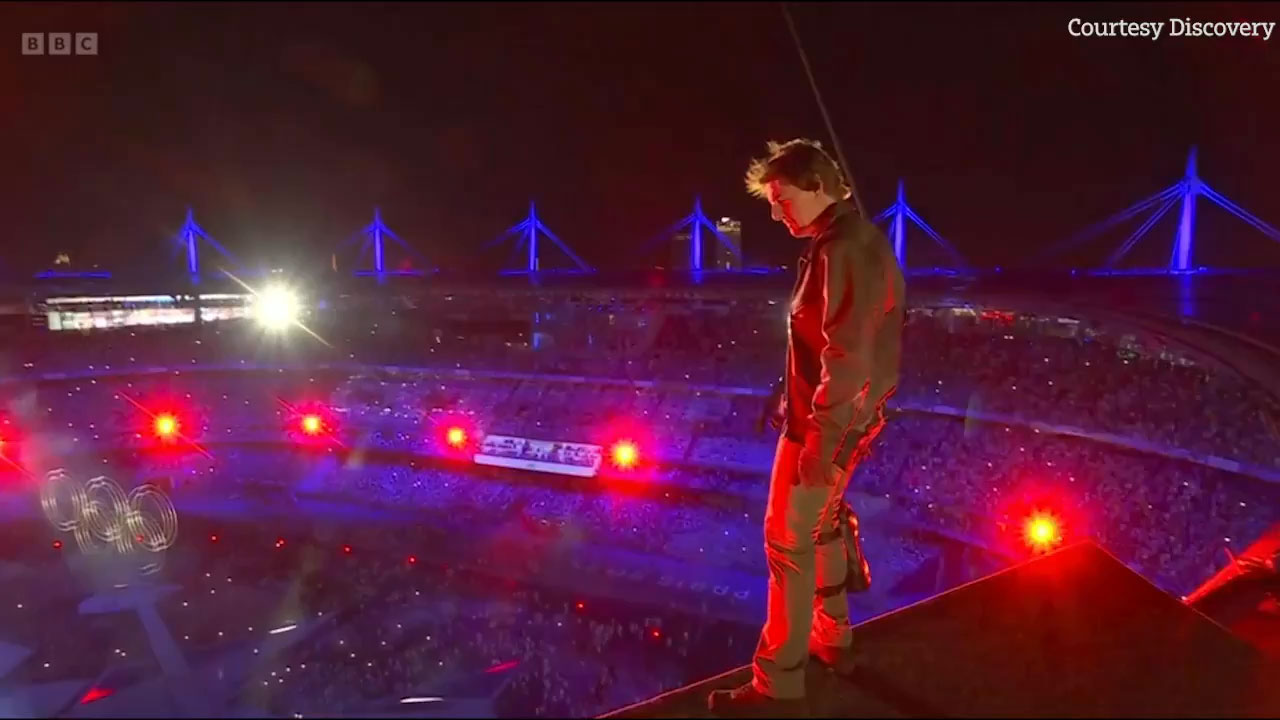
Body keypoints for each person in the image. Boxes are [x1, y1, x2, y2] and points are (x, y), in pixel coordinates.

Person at [710, 139, 905, 717]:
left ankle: (778, 686)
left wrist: (818, 442)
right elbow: (833, 345)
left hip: (825, 429)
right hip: (835, 422)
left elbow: (849, 360)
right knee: (818, 533)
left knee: (788, 544)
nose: (775, 212)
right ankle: (835, 639)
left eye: (780, 198)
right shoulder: (849, 243)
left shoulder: (841, 250)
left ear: (816, 184)